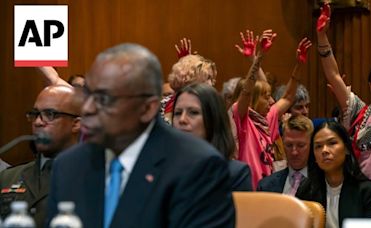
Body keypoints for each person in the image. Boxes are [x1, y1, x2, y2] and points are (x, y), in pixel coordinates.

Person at [47, 43, 235, 228]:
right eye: (86, 95)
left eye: (103, 99)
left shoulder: (197, 167)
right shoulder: (69, 165)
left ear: (147, 108)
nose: (87, 108)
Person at [316, 3, 371, 199]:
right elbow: (334, 75)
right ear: (370, 85)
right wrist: (322, 38)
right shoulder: (359, 113)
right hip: (363, 197)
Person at [232, 29, 312, 189]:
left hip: (269, 190)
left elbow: (289, 97)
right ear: (253, 99)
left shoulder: (267, 119)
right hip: (248, 193)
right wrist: (259, 57)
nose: (271, 100)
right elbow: (246, 91)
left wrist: (299, 65)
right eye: (265, 96)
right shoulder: (242, 120)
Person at [0, 85, 83, 227]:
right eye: (35, 114)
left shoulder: (97, 176)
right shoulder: (7, 177)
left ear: (76, 124)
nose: (38, 122)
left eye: (50, 114)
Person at [296, 121, 371, 228]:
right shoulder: (306, 190)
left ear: (346, 149)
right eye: (318, 146)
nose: (324, 150)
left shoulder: (367, 191)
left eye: (332, 143)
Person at [172, 83, 252, 191]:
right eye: (177, 113)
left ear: (213, 119)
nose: (182, 119)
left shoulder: (234, 174)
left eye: (193, 112)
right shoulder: (161, 170)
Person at [257, 115, 313, 195]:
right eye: (289, 145)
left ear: (311, 144)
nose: (294, 152)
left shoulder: (325, 183)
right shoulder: (265, 186)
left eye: (301, 145)